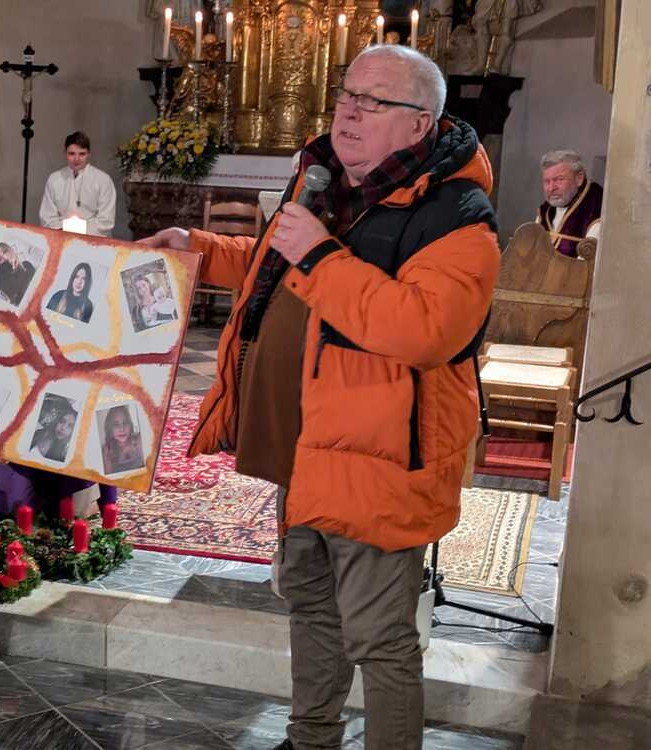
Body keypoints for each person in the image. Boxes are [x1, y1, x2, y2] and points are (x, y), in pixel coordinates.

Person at [140, 45, 500, 750]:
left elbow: (425, 329)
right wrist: (197, 248)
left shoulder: (457, 214)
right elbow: (272, 265)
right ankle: (311, 740)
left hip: (381, 457)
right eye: (346, 96)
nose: (350, 112)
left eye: (374, 100)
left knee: (381, 638)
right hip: (306, 446)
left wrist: (318, 254)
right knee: (309, 604)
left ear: (420, 123)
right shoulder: (325, 185)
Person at [39, 131, 117, 237]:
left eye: (82, 154)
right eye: (71, 154)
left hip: (93, 239)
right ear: (65, 153)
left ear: (89, 154)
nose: (76, 159)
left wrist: (76, 229)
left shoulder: (103, 180)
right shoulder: (54, 179)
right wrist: (64, 230)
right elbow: (47, 217)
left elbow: (106, 221)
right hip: (61, 237)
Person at [536, 149, 603, 258]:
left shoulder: (596, 208)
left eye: (559, 179)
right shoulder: (546, 210)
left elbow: (586, 263)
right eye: (547, 181)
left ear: (579, 178)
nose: (551, 188)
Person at [101, 405, 144, 474]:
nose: (122, 429)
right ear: (110, 428)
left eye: (125, 422)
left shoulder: (139, 440)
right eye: (116, 424)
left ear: (130, 425)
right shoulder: (107, 450)